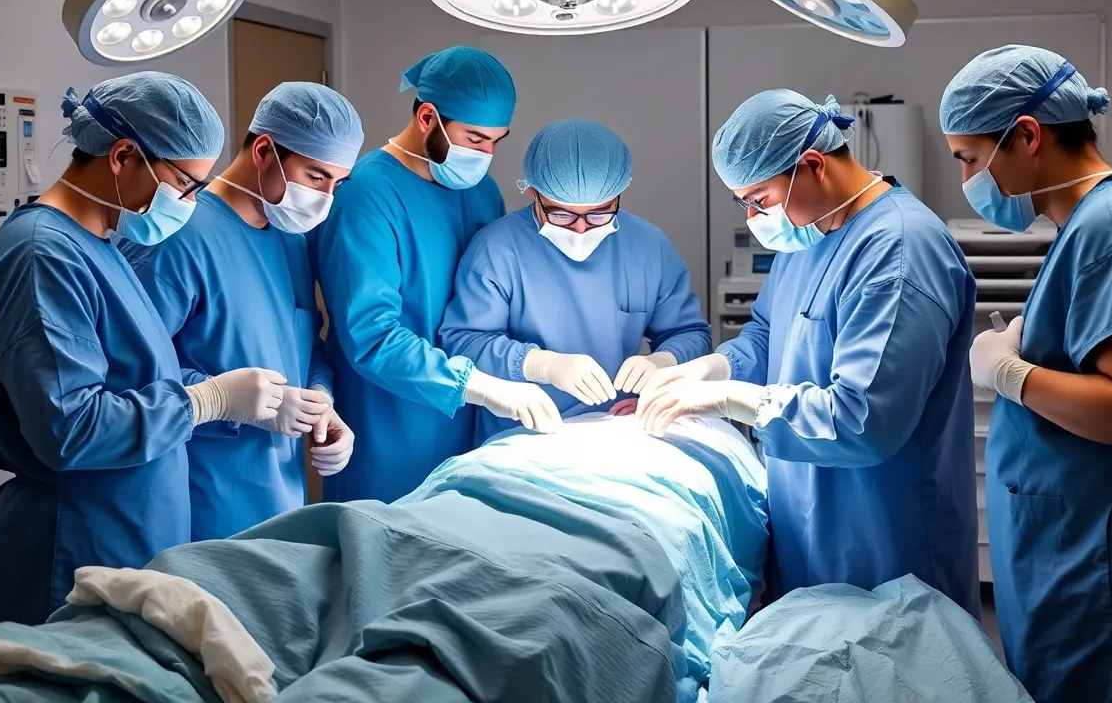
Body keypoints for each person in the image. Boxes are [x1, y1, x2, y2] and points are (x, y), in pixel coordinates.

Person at [637, 89, 981, 617]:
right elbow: (766, 332)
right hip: (808, 527)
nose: (753, 217)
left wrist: (729, 398)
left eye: (760, 199)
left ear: (813, 166)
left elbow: (863, 420)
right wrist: (711, 367)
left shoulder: (901, 250)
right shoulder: (810, 232)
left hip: (887, 541)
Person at [0, 73, 287, 628]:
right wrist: (206, 400)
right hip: (71, 555)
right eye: (185, 186)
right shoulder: (43, 257)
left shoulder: (102, 245)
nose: (190, 203)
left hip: (120, 546)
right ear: (122, 157)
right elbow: (70, 428)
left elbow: (130, 378)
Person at [940, 45, 1112, 703]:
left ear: (1026, 135)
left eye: (969, 158)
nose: (966, 177)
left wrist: (1012, 375)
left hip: (1102, 568)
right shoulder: (1085, 226)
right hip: (1073, 551)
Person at [312, 46, 560, 504]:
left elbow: (496, 296)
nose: (486, 154)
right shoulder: (365, 195)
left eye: (496, 141)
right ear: (428, 117)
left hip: (474, 425)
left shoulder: (480, 190)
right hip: (390, 426)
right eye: (474, 138)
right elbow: (371, 336)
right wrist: (476, 386)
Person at [121, 82, 360, 542]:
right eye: (316, 177)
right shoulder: (177, 237)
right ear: (265, 150)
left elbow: (305, 343)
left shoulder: (291, 238)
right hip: (198, 501)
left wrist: (319, 401)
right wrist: (230, 403)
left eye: (338, 183)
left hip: (281, 498)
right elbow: (130, 374)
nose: (326, 198)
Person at [440, 119, 713, 441]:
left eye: (599, 213)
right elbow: (463, 341)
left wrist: (665, 363)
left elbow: (691, 334)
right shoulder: (496, 250)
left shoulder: (648, 247)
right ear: (533, 193)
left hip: (623, 427)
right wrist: (540, 364)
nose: (581, 229)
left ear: (619, 194)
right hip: (521, 433)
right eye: (561, 214)